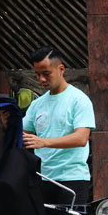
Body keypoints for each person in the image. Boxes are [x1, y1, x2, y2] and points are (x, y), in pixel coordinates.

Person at [22, 46, 96, 206]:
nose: (41, 79)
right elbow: (21, 134)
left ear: (61, 69)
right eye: (37, 74)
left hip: (72, 180)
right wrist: (7, 119)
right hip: (42, 179)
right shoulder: (37, 104)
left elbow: (81, 138)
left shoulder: (79, 100)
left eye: (46, 73)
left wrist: (44, 142)